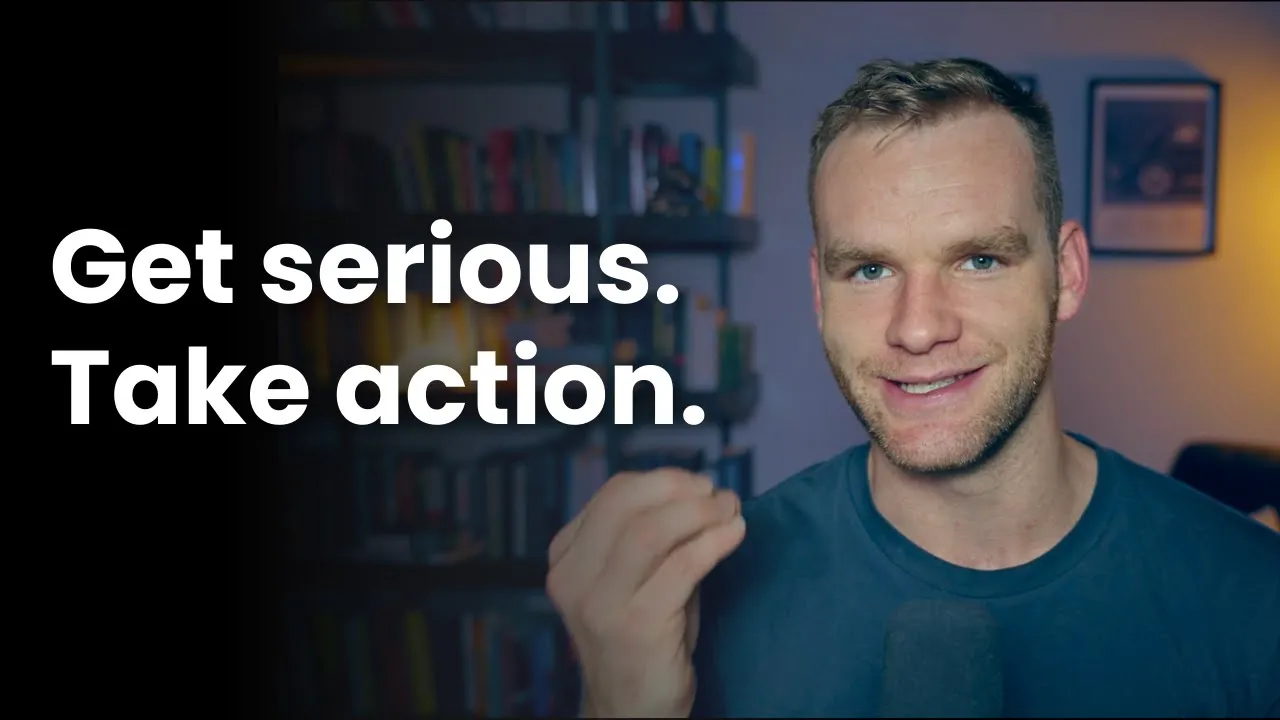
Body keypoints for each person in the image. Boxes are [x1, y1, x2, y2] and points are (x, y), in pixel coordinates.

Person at [545, 58, 1280, 718]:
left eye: (979, 260)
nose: (918, 328)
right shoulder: (702, 605)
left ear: (1067, 273)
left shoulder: (1255, 597)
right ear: (820, 293)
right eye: (870, 270)